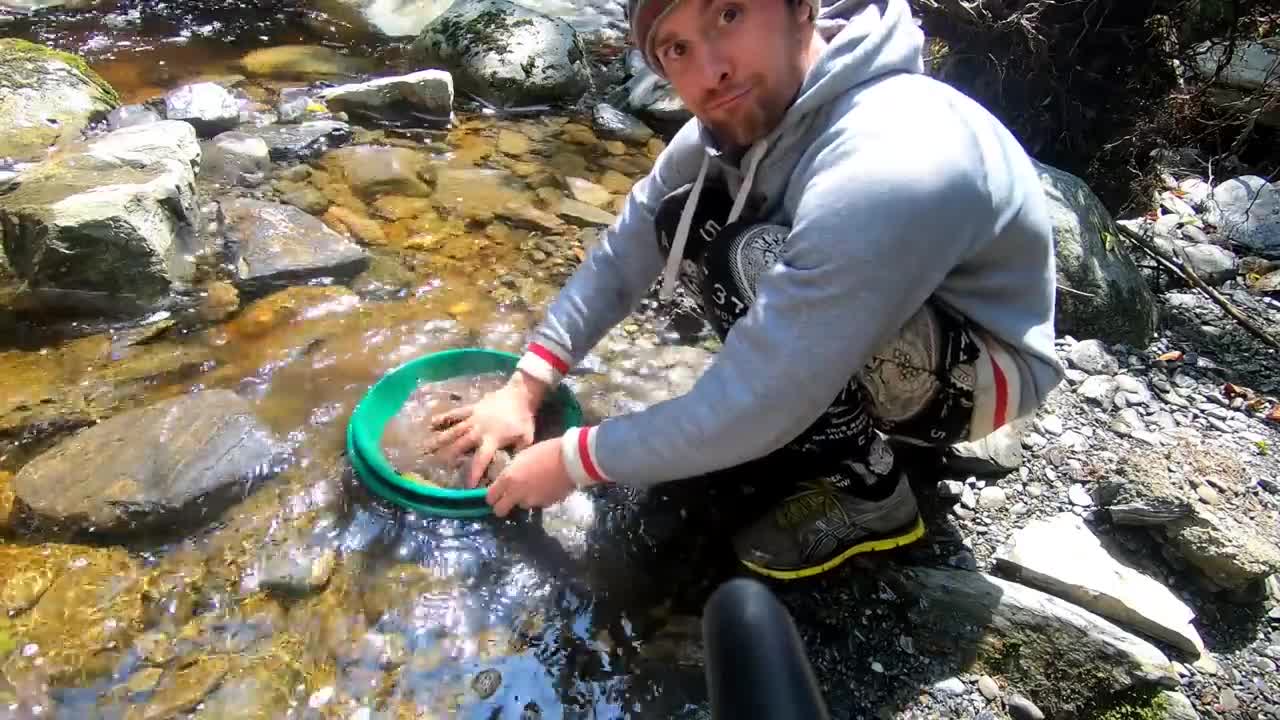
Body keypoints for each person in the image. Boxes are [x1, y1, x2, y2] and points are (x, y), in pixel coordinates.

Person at [429, 0, 1065, 580]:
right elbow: (623, 250)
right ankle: (822, 426)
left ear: (801, 9)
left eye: (728, 15)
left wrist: (574, 460)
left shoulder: (891, 157)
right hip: (887, 310)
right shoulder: (728, 123)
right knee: (685, 214)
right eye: (675, 49)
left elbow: (761, 399)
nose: (710, 72)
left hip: (983, 367)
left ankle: (872, 492)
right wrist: (527, 384)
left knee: (746, 263)